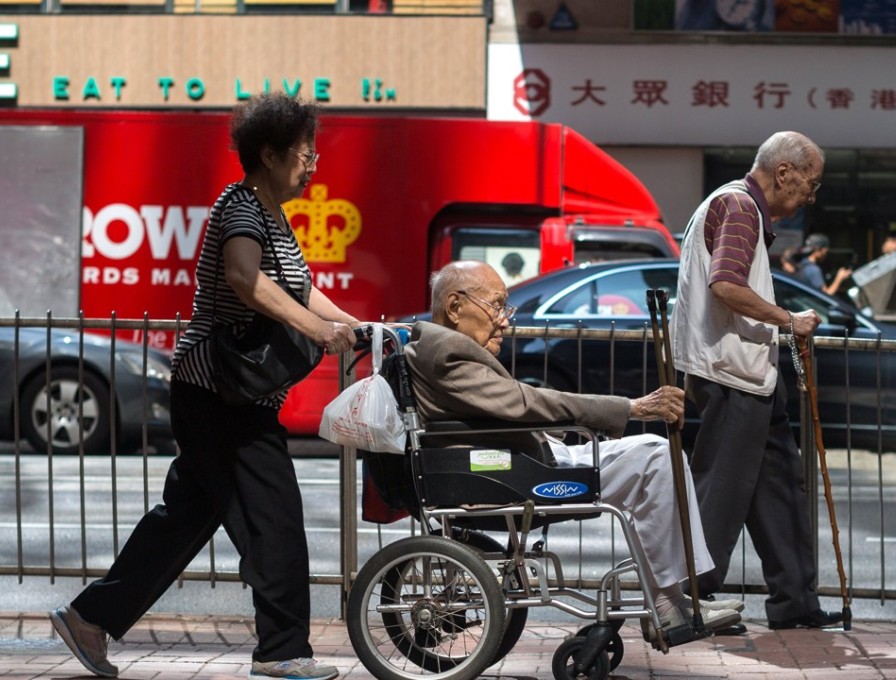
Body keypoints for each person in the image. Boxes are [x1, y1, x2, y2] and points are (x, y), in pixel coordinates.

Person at [49, 93, 359, 680]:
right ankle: (282, 651)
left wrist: (356, 326)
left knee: (183, 520)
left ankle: (89, 617)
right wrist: (319, 328)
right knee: (275, 521)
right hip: (220, 396)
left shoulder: (270, 214)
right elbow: (245, 279)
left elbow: (294, 289)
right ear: (268, 154)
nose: (313, 163)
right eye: (304, 152)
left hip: (225, 397)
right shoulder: (242, 209)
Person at [404, 260, 745, 642]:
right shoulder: (447, 350)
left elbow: (512, 405)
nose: (504, 321)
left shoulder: (436, 345)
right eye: (496, 306)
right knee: (657, 456)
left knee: (655, 454)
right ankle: (667, 604)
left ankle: (669, 599)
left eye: (505, 308)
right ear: (454, 307)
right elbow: (522, 401)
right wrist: (629, 408)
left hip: (519, 460)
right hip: (512, 471)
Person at [670, 131, 843, 631]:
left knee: (779, 487)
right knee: (722, 489)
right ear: (783, 172)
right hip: (732, 373)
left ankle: (795, 600)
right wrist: (787, 319)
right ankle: (689, 602)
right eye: (809, 186)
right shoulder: (740, 207)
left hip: (749, 372)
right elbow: (725, 285)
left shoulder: (730, 203)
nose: (810, 197)